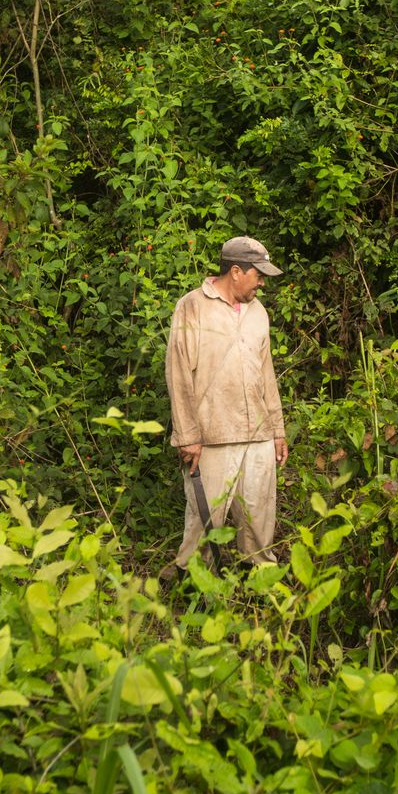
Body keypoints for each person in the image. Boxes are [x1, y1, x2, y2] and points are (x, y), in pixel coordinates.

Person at [162, 236, 290, 578]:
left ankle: (260, 578)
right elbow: (178, 373)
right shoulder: (192, 306)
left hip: (258, 433)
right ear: (236, 271)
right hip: (212, 434)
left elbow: (267, 372)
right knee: (205, 519)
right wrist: (187, 435)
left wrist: (277, 430)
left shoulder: (257, 311)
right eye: (258, 275)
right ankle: (190, 580)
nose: (262, 283)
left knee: (259, 515)